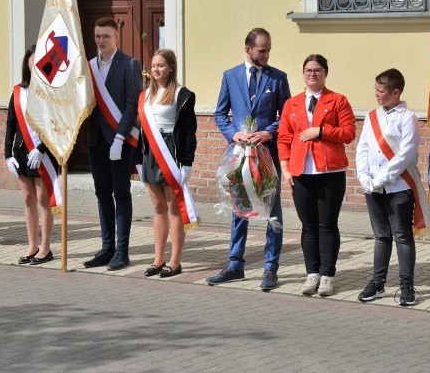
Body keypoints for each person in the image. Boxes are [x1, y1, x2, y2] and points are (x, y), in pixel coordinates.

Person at [207, 27, 291, 291]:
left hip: (268, 156)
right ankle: (235, 265)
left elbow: (285, 117)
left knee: (271, 211)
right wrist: (234, 135)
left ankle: (270, 268)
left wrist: (268, 132)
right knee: (239, 209)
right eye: (261, 50)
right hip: (240, 156)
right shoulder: (230, 76)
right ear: (248, 49)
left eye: (268, 51)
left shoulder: (278, 78)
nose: (266, 55)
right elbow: (220, 114)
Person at [277, 54, 355, 297]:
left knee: (327, 225)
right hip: (302, 172)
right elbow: (284, 138)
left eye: (318, 70)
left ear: (325, 73)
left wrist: (320, 131)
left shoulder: (338, 100)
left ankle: (328, 275)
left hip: (330, 172)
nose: (313, 74)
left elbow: (348, 132)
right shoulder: (292, 103)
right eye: (308, 70)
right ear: (303, 74)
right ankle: (312, 273)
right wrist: (285, 168)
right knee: (308, 226)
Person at [356, 68, 430, 306]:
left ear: (395, 91)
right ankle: (378, 283)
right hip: (373, 187)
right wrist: (364, 176)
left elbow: (405, 155)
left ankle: (406, 286)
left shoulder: (407, 118)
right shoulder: (371, 116)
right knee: (381, 236)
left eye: (381, 91)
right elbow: (363, 148)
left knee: (402, 236)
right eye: (376, 90)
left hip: (398, 186)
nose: (377, 95)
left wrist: (381, 178)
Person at [84, 17, 142, 271]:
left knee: (121, 193)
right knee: (102, 195)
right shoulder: (89, 67)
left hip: (121, 141)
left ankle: (121, 250)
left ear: (116, 37)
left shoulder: (129, 64)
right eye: (97, 36)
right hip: (97, 139)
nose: (101, 41)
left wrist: (119, 137)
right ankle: (106, 248)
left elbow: (132, 104)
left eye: (106, 36)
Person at [138, 49, 198, 279]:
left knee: (174, 209)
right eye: (153, 65)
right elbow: (142, 130)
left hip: (171, 153)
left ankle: (175, 261)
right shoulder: (145, 95)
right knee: (158, 209)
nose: (156, 69)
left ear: (171, 67)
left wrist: (187, 162)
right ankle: (158, 259)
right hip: (150, 154)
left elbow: (189, 131)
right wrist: (139, 161)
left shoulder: (182, 95)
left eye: (161, 65)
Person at [5, 45, 58, 265]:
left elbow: (55, 124)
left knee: (43, 199)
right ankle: (32, 245)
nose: (35, 65)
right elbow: (11, 122)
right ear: (27, 63)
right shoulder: (18, 90)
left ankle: (45, 248)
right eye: (32, 60)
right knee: (28, 199)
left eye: (39, 61)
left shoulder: (49, 91)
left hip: (42, 152)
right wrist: (7, 152)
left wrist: (41, 149)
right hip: (21, 150)